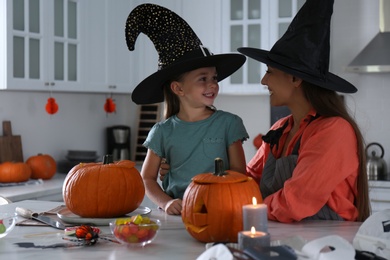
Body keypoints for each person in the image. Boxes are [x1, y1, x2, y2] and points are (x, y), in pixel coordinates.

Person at [160, 0, 371, 222]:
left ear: (295, 78)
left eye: (270, 72)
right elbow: (246, 182)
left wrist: (232, 206)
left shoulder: (333, 130)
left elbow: (295, 201)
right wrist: (187, 169)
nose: (263, 80)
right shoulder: (280, 130)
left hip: (327, 246)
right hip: (284, 237)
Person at [125, 4, 249, 215]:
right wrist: (166, 203)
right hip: (177, 214)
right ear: (178, 88)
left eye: (214, 78)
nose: (212, 84)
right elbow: (147, 178)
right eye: (203, 79)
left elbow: (239, 172)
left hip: (219, 210)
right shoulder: (161, 131)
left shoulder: (229, 124)